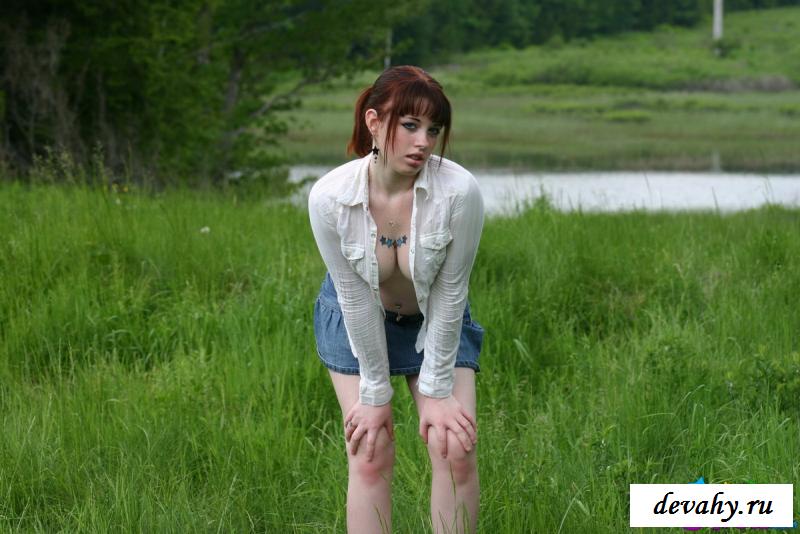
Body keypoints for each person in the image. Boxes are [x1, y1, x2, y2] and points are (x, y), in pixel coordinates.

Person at [308, 65, 485, 534]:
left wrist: (438, 389)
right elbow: (353, 296)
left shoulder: (459, 192)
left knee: (454, 447)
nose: (423, 142)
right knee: (370, 451)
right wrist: (374, 393)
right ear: (374, 121)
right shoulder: (329, 198)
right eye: (410, 125)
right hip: (357, 317)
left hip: (435, 318)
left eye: (433, 130)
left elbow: (451, 291)